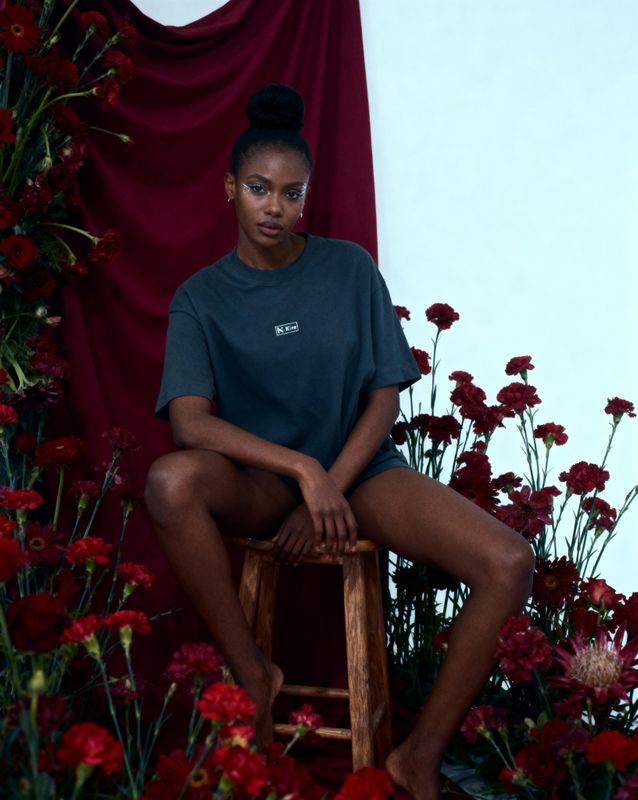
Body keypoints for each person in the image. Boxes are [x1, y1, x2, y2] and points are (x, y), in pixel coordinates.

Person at [145, 84, 535, 800]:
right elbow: (190, 423)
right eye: (259, 188)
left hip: (363, 472)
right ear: (230, 188)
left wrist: (330, 480)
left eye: (292, 194)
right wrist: (300, 471)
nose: (275, 206)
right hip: (262, 483)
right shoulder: (202, 297)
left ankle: (417, 758)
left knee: (509, 561)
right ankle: (253, 673)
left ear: (306, 197)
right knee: (171, 482)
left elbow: (384, 397)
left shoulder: (348, 268)